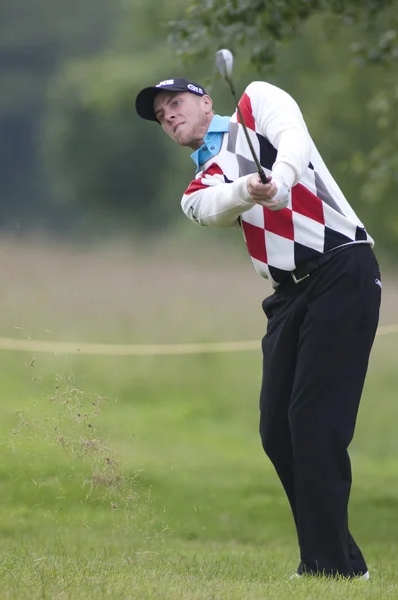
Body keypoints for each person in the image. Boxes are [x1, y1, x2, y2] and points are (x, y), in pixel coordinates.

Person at [135, 77, 381, 579]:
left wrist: (282, 178)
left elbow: (294, 136)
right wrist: (249, 188)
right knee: (277, 430)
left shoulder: (256, 103)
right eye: (161, 117)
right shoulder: (202, 181)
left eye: (175, 105)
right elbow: (212, 209)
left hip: (341, 269)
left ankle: (327, 568)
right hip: (288, 296)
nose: (170, 118)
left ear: (207, 102)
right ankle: (340, 561)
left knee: (314, 423)